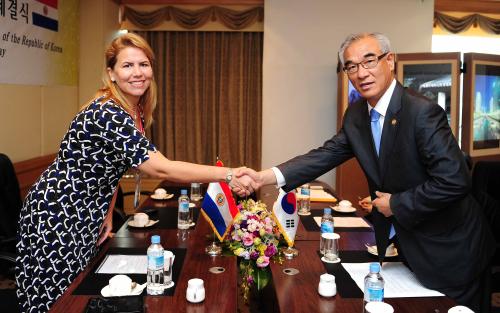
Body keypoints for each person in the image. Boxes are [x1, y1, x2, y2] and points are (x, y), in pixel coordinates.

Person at [237, 32, 495, 312]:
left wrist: (395, 203)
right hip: (412, 245)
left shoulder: (421, 112)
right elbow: (325, 155)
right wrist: (264, 177)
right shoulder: (357, 114)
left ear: (390, 61)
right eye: (352, 66)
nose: (361, 73)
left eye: (369, 61)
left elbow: (455, 180)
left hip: (453, 249)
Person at [15, 33, 253, 313]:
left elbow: (110, 166)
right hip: (60, 213)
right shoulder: (108, 112)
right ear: (111, 74)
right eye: (127, 66)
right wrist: (228, 174)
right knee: (61, 298)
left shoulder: (135, 109)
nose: (137, 73)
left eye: (144, 64)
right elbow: (159, 167)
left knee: (84, 289)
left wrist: (107, 210)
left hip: (88, 210)